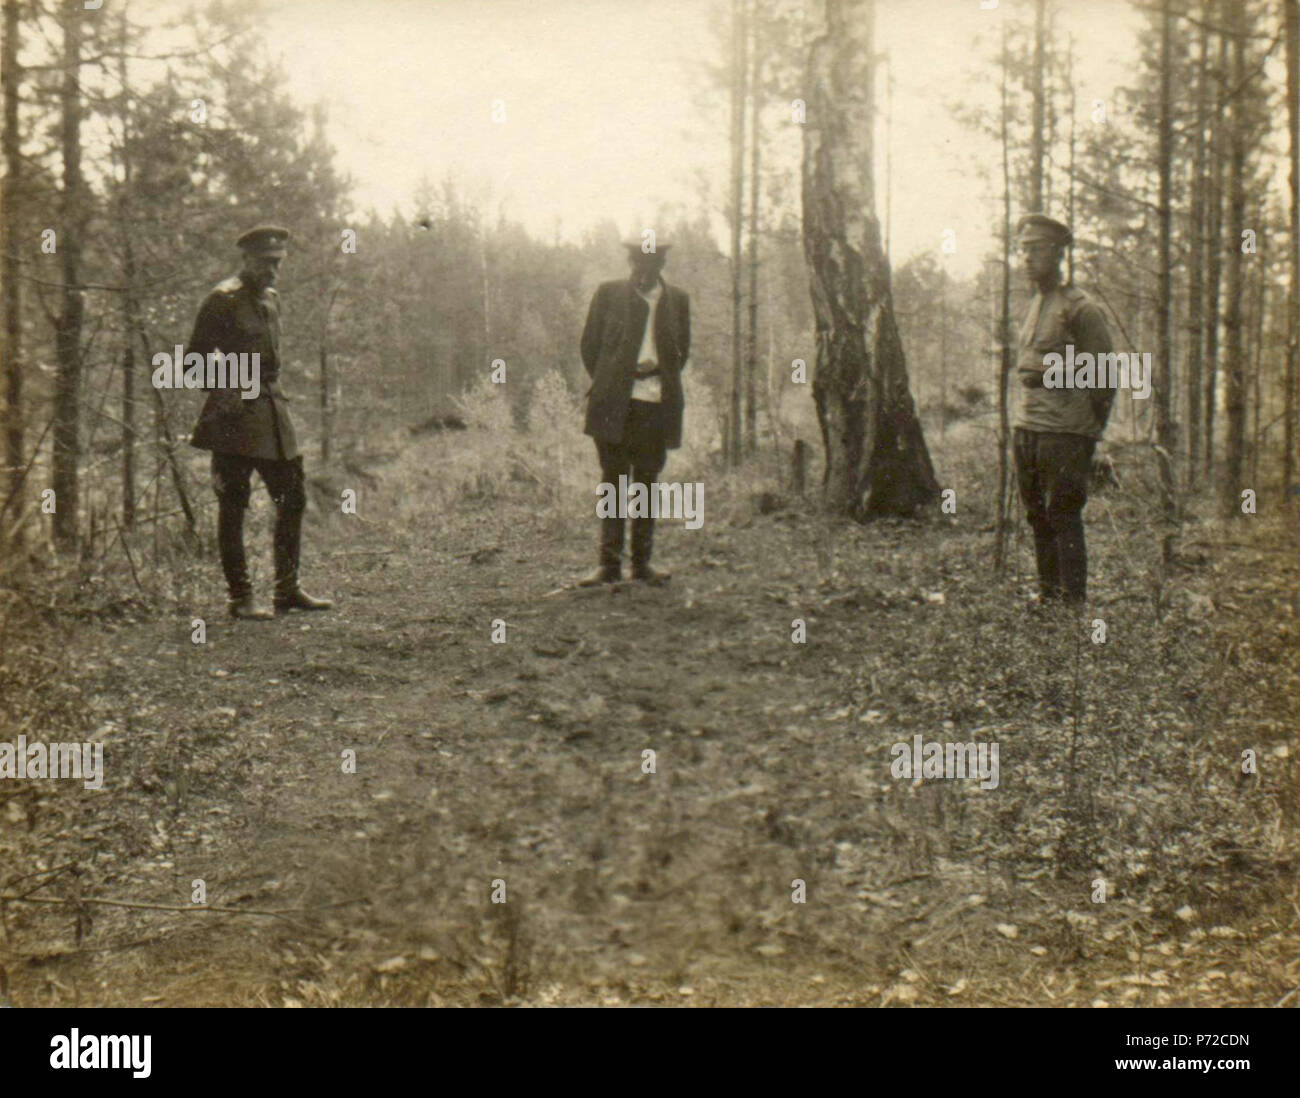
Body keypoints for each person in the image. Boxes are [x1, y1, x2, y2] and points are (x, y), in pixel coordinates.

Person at [189, 225, 332, 619]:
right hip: (233, 417)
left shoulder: (271, 300)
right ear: (247, 259)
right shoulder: (221, 300)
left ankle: (287, 590)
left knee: (292, 499)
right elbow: (193, 362)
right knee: (234, 504)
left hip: (271, 410)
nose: (273, 271)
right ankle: (241, 597)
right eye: (267, 263)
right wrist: (228, 386)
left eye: (279, 263)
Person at [1013, 213, 1116, 607]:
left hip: (1066, 433)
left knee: (1063, 516)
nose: (1027, 258)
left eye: (1036, 250)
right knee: (1036, 516)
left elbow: (1105, 375)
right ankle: (1048, 596)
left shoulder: (1081, 308)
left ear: (1058, 254)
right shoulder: (1036, 303)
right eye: (1023, 250)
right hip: (1029, 427)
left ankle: (1071, 607)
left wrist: (1089, 430)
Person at [577, 240, 691, 585]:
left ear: (660, 266)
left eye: (650, 266)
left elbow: (681, 353)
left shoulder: (677, 301)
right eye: (636, 264)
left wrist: (653, 376)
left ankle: (642, 565)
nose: (641, 273)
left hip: (655, 404)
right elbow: (589, 347)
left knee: (646, 482)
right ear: (629, 262)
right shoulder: (608, 294)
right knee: (613, 481)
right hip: (613, 403)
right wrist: (611, 380)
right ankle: (609, 566)